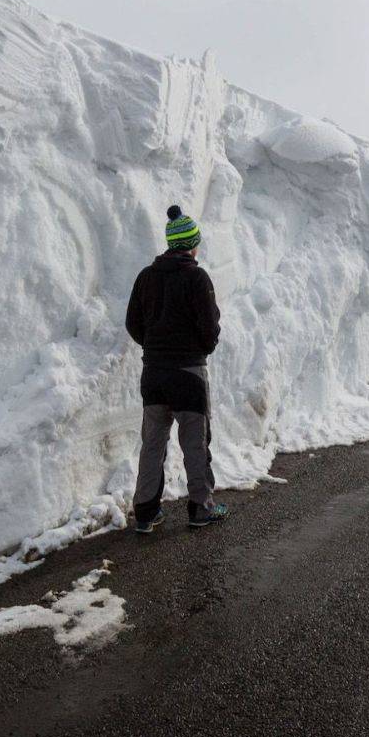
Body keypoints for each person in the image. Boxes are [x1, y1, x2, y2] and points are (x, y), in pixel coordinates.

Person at [125, 205, 229, 532]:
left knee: (152, 444)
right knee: (195, 444)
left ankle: (144, 512)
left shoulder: (146, 276)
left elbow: (133, 323)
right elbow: (209, 327)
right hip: (188, 375)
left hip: (153, 373)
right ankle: (201, 508)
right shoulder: (197, 278)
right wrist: (200, 350)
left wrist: (154, 348)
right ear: (191, 244)